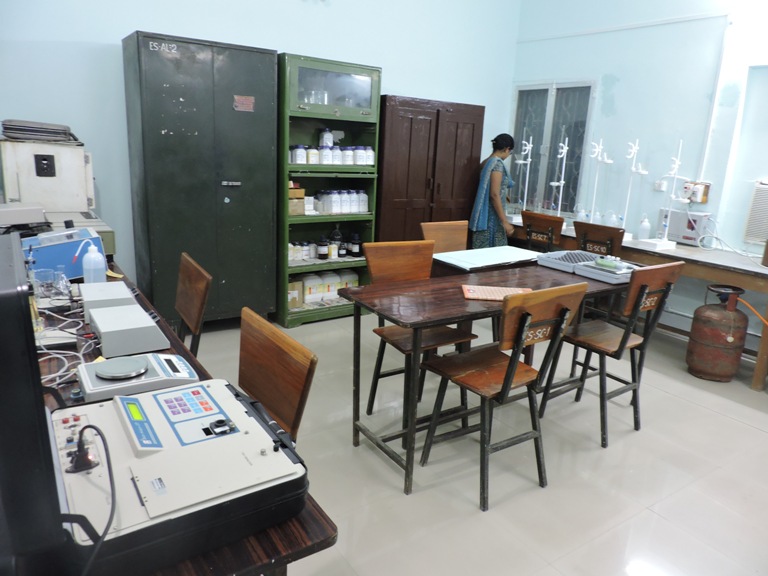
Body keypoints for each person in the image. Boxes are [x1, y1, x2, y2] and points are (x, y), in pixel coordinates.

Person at [469, 133, 516, 248]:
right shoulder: (497, 164)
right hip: (492, 218)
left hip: (484, 216)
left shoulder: (486, 162)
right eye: (510, 152)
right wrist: (504, 221)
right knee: (494, 256)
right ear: (507, 149)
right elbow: (494, 194)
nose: (508, 155)